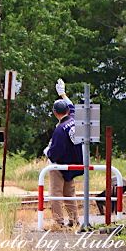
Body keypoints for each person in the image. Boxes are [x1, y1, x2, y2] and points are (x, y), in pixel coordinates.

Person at [43, 78, 83, 229]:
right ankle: (74, 220)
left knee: (56, 194)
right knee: (69, 193)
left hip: (59, 165)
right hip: (73, 164)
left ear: (55, 112)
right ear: (66, 111)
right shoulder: (74, 120)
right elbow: (72, 106)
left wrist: (48, 152)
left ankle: (58, 223)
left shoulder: (60, 129)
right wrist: (63, 94)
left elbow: (55, 151)